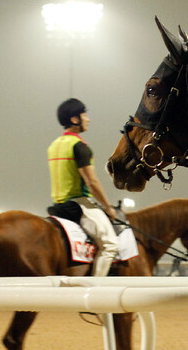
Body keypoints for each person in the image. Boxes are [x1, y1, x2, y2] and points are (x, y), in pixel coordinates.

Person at [48, 98, 119, 277]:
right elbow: (92, 182)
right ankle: (96, 291)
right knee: (111, 245)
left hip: (57, 207)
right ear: (74, 119)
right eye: (85, 114)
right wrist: (108, 207)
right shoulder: (79, 146)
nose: (88, 119)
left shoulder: (54, 146)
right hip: (79, 205)